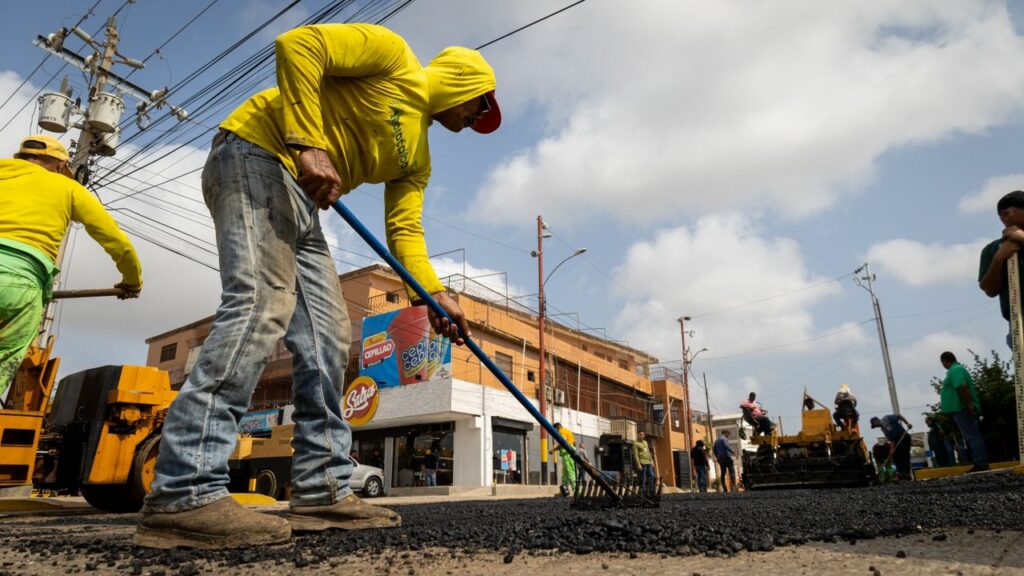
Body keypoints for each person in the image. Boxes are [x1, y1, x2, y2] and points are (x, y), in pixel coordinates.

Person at [139, 23, 501, 549]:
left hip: (303, 201)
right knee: (261, 304)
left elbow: (405, 232)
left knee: (328, 337)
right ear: (466, 83)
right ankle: (184, 490)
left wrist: (433, 295)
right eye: (480, 108)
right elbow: (299, 46)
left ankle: (321, 488)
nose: (474, 123)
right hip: (257, 153)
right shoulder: (393, 57)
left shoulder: (417, 160)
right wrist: (309, 142)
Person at [0, 135, 142, 405]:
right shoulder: (67, 187)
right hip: (19, 286)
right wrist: (132, 280)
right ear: (58, 164)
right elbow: (116, 241)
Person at [978, 190, 1024, 346]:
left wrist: (1021, 237)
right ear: (1005, 214)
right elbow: (989, 289)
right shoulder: (991, 250)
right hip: (1018, 322)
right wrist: (999, 257)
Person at [939, 352, 989, 472]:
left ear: (944, 361)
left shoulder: (954, 370)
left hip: (962, 409)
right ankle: (981, 462)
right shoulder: (958, 369)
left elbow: (962, 387)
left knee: (972, 437)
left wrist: (969, 406)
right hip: (963, 409)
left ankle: (980, 463)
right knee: (974, 436)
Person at [870, 415, 913, 481]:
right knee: (896, 457)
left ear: (876, 421)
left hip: (903, 437)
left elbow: (898, 416)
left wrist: (907, 423)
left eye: (874, 425)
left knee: (903, 455)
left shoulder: (886, 418)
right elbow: (891, 439)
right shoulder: (883, 429)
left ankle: (905, 474)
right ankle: (900, 474)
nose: (876, 427)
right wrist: (891, 449)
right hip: (895, 441)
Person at [549, 423, 577, 497]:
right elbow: (574, 443)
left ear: (558, 427)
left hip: (568, 454)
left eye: (555, 429)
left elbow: (563, 443)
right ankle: (564, 491)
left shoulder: (562, 431)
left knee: (570, 473)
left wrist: (553, 450)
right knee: (565, 475)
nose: (555, 431)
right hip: (567, 454)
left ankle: (577, 492)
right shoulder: (567, 431)